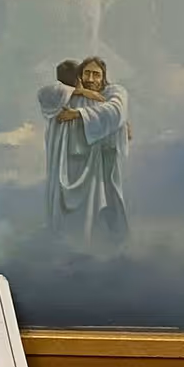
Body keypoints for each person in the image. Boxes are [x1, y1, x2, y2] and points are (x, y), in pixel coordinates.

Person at [38, 54, 131, 250]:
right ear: (79, 76)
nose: (91, 79)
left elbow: (116, 111)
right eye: (86, 73)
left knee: (95, 209)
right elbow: (45, 94)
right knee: (68, 216)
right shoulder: (68, 94)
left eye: (96, 74)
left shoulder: (115, 92)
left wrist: (78, 113)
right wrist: (82, 94)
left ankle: (93, 248)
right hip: (68, 163)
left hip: (98, 167)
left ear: (104, 76)